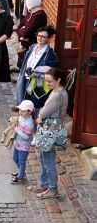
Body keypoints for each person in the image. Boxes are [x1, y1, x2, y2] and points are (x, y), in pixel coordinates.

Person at [28, 68, 68, 199]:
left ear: (58, 80)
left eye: (49, 81)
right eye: (45, 81)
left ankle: (52, 189)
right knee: (43, 158)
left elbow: (44, 112)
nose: (46, 84)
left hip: (50, 131)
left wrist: (39, 118)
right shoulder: (59, 91)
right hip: (52, 129)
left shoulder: (57, 95)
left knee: (48, 161)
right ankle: (44, 184)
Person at [16, 26, 58, 110]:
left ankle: (35, 120)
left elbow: (50, 69)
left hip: (38, 83)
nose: (40, 38)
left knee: (36, 104)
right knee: (25, 101)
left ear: (48, 39)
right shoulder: (32, 47)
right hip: (26, 78)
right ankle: (23, 114)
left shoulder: (50, 53)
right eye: (39, 36)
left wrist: (36, 73)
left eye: (43, 37)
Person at [16, 0, 47, 68]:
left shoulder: (38, 16)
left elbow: (26, 33)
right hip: (25, 47)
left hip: (32, 48)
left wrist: (23, 33)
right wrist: (22, 35)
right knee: (22, 69)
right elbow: (19, 27)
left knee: (28, 70)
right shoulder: (31, 13)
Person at [11, 100, 35, 185]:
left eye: (23, 110)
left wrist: (16, 129)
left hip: (23, 146)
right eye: (20, 110)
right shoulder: (21, 117)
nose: (20, 112)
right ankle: (21, 172)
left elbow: (26, 137)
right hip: (17, 144)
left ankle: (21, 177)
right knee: (15, 158)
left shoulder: (29, 123)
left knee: (22, 162)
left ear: (29, 112)